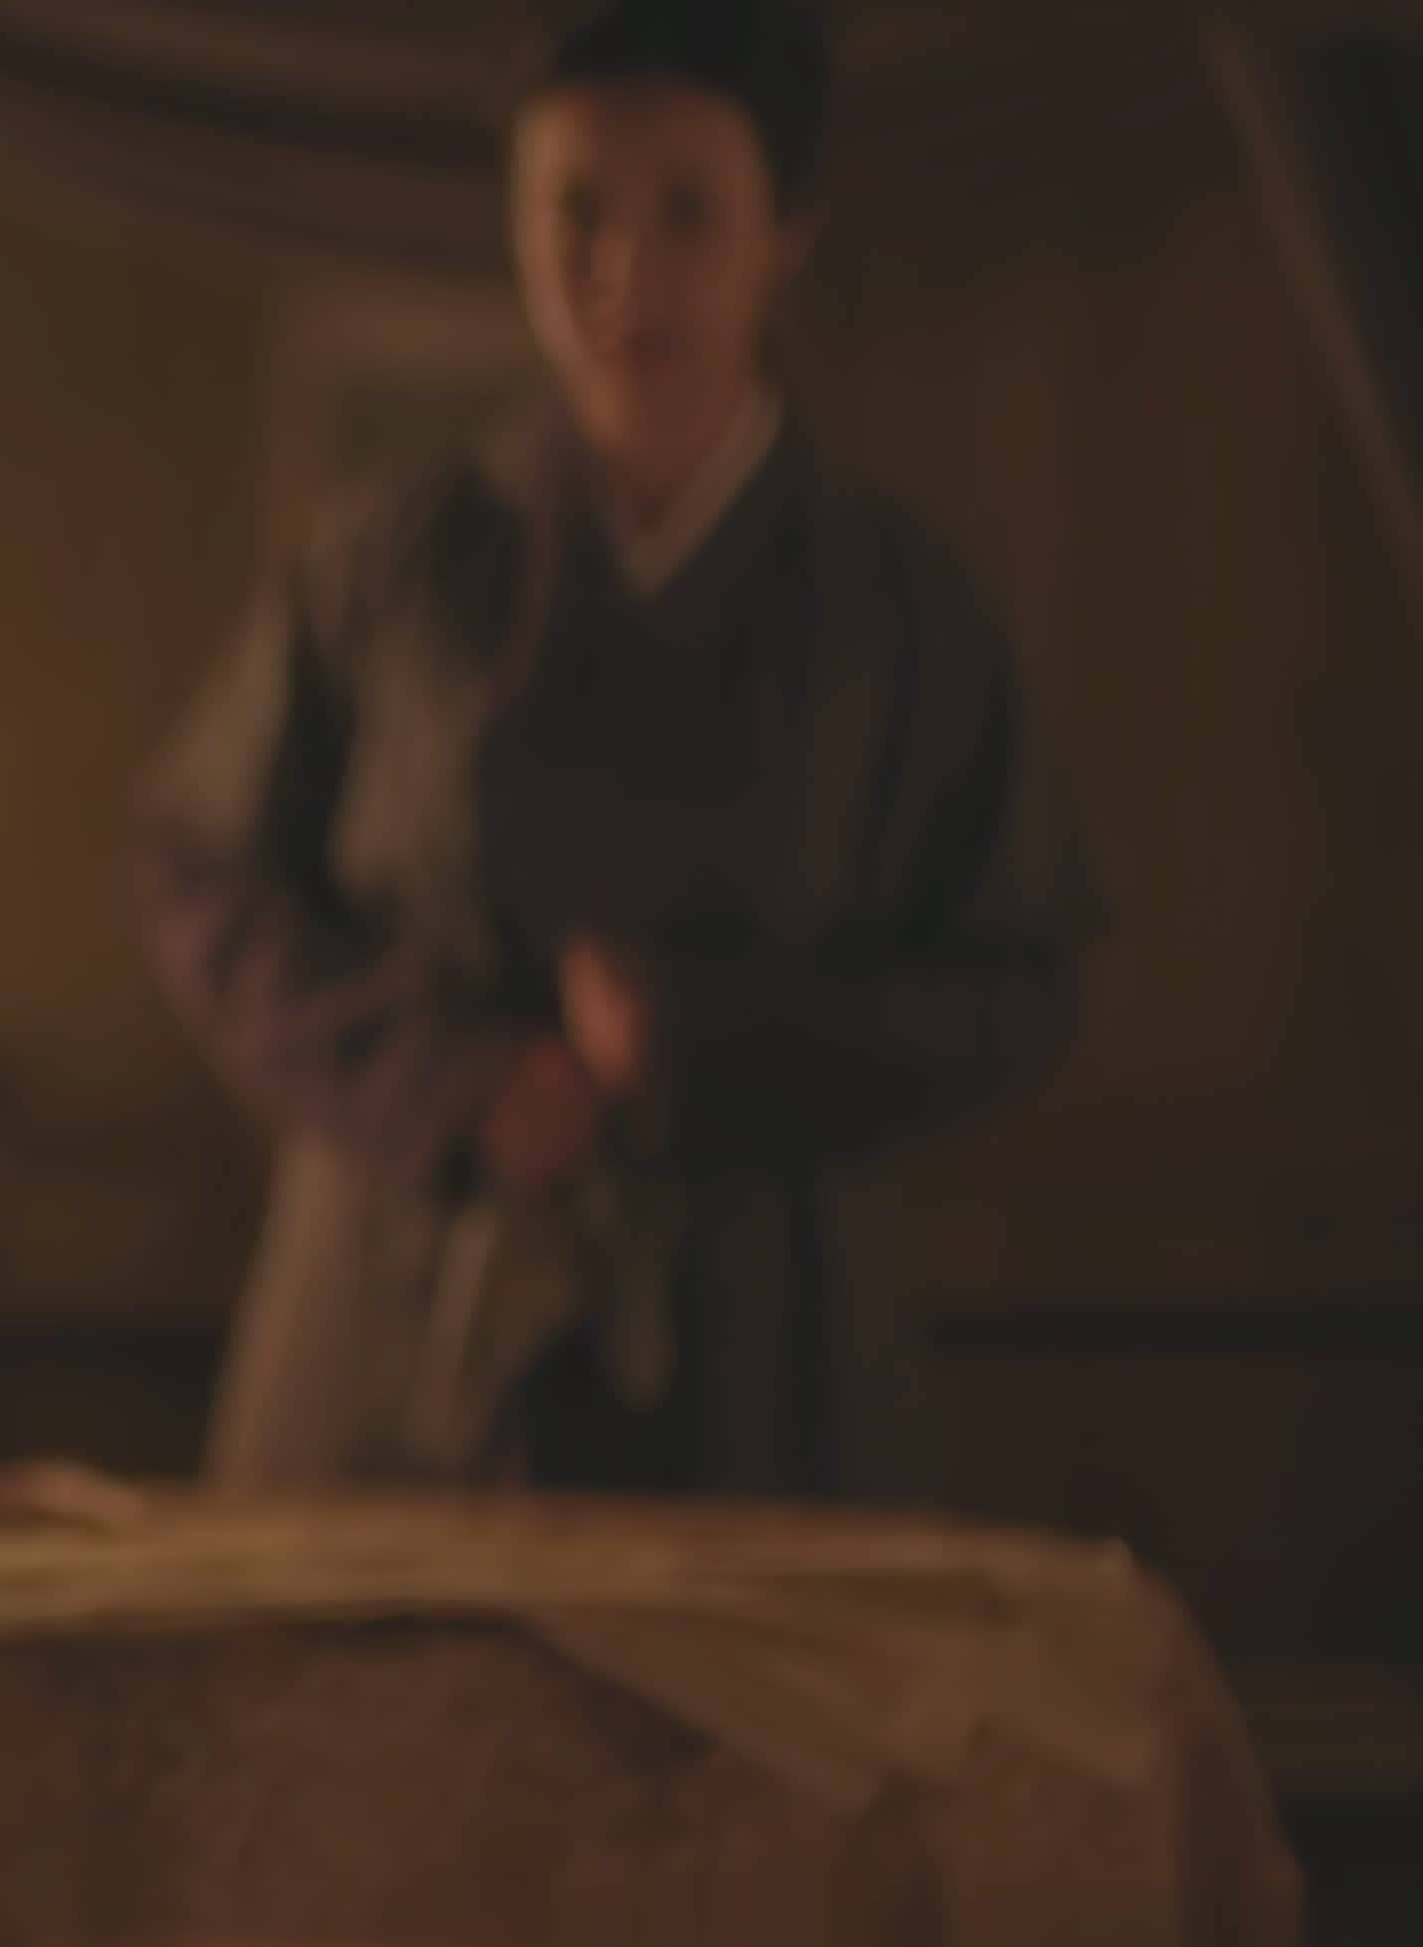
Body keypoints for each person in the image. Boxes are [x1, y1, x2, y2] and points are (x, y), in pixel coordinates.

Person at [141, 0, 1099, 1496]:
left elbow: (1019, 975)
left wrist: (693, 1046)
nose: (626, 271)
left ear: (786, 233)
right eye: (577, 210)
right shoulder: (395, 558)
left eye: (688, 213)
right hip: (395, 1313)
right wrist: (457, 1078)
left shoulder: (893, 605)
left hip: (760, 1340)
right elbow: (201, 871)